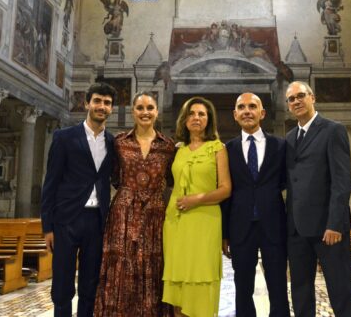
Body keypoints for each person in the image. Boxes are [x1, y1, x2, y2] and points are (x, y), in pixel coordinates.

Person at [94, 92, 175, 317]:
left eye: (150, 108)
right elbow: (112, 176)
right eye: (140, 108)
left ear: (157, 111)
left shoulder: (168, 146)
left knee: (154, 265)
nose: (145, 112)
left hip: (155, 215)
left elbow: (171, 180)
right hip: (123, 213)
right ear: (133, 112)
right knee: (121, 265)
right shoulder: (119, 142)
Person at [41, 82, 117, 317]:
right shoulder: (64, 137)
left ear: (111, 108)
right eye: (97, 101)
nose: (101, 106)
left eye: (106, 103)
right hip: (67, 219)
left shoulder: (114, 143)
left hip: (97, 221)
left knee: (90, 283)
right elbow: (50, 183)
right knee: (62, 284)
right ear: (87, 103)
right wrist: (48, 226)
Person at [285, 81, 351, 317]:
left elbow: (341, 181)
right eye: (291, 99)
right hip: (297, 228)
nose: (296, 101)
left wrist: (335, 224)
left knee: (340, 288)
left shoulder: (332, 130)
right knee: (301, 289)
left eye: (300, 96)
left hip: (328, 228)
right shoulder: (289, 138)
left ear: (312, 98)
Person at [162, 96, 232, 317]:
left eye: (202, 114)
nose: (196, 118)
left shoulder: (217, 148)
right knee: (178, 280)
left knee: (202, 280)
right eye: (192, 113)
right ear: (184, 119)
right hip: (176, 223)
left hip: (205, 221)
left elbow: (225, 189)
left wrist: (197, 199)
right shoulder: (177, 149)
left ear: (209, 120)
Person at [222, 93, 289, 317]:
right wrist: (224, 233)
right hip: (240, 227)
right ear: (235, 114)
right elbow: (225, 193)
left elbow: (286, 182)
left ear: (262, 113)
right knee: (242, 288)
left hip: (274, 225)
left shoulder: (280, 146)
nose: (247, 111)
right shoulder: (226, 150)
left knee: (278, 286)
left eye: (252, 106)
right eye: (241, 107)